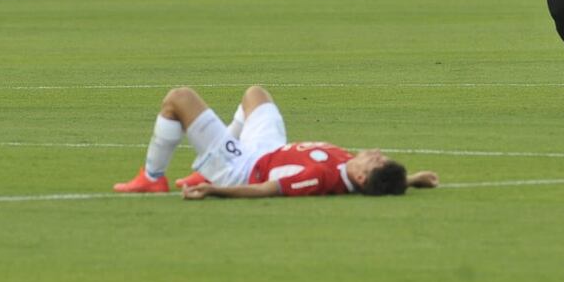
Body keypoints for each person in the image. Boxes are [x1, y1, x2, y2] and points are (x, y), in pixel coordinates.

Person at [113, 85, 439, 199]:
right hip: (268, 151)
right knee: (256, 95)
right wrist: (410, 179)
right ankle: (206, 168)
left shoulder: (317, 178)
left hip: (243, 167)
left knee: (179, 98)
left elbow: (263, 190)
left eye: (377, 161)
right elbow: (376, 184)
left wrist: (215, 189)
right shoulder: (354, 174)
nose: (377, 153)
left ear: (361, 177)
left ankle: (152, 178)